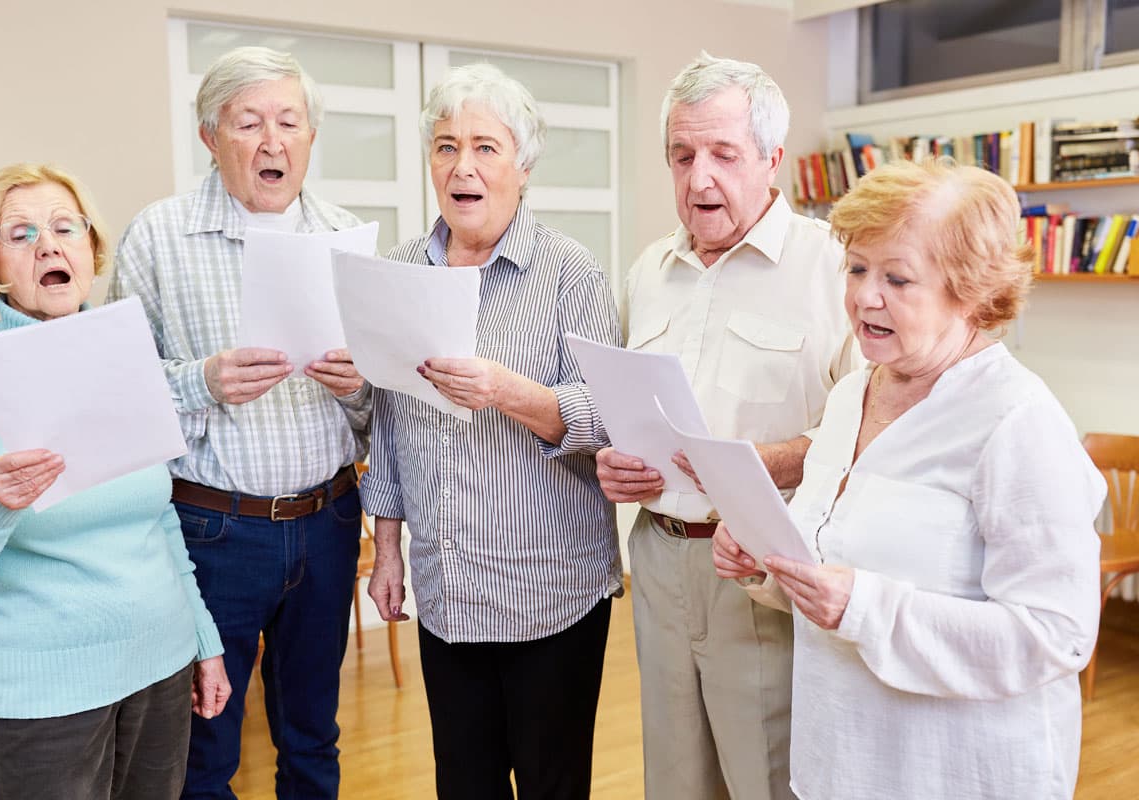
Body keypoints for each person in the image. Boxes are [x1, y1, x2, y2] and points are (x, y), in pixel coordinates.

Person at [715, 158, 1105, 799]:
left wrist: (866, 608)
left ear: (972, 291)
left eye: (898, 278)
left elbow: (1055, 635)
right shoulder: (850, 396)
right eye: (858, 268)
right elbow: (834, 562)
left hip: (957, 773)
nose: (867, 296)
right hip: (843, 760)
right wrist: (768, 561)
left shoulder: (1017, 421)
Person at [107, 47, 369, 800]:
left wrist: (358, 387)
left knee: (314, 737)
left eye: (289, 122)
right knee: (204, 750)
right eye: (248, 123)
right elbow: (117, 394)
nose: (271, 141)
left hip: (326, 523)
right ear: (209, 136)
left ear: (311, 136)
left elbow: (377, 412)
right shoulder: (157, 236)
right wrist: (204, 380)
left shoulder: (347, 238)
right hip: (213, 533)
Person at [594, 53, 857, 800]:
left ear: (773, 159)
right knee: (673, 782)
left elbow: (861, 442)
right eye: (682, 155)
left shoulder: (833, 270)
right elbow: (627, 410)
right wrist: (617, 461)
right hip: (657, 557)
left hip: (760, 571)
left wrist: (761, 464)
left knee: (765, 779)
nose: (698, 177)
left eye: (723, 154)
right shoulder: (649, 271)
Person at [361, 63, 622, 800]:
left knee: (551, 783)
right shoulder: (400, 270)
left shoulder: (571, 272)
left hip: (552, 592)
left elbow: (604, 418)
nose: (462, 166)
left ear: (523, 166)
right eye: (445, 147)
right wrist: (387, 550)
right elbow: (388, 421)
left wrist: (505, 390)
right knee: (464, 784)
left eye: (485, 147)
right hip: (448, 591)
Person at [0, 163, 228, 800]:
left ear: (90, 249)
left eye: (65, 227)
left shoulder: (129, 361)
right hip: (47, 692)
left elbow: (159, 518)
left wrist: (203, 639)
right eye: (19, 233)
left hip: (161, 664)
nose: (49, 244)